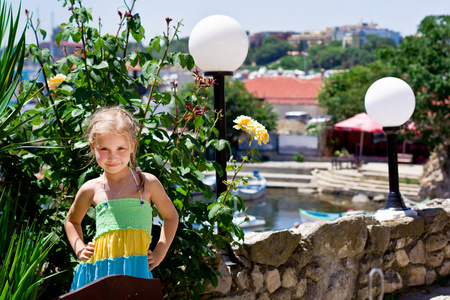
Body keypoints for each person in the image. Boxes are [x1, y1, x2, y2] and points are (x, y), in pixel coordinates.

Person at [65, 106, 178, 291]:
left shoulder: (147, 183)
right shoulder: (91, 188)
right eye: (104, 148)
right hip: (99, 271)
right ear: (93, 148)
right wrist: (79, 248)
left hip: (136, 270)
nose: (113, 156)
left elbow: (171, 217)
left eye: (120, 148)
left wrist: (159, 253)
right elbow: (71, 222)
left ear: (132, 145)